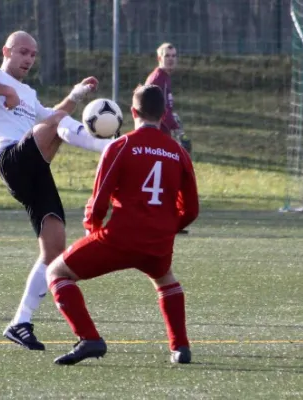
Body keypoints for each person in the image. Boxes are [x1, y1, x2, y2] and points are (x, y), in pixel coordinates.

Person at [0, 31, 113, 351]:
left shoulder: (28, 93)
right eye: (23, 52)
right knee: (57, 123)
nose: (28, 59)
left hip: (35, 168)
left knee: (54, 250)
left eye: (33, 55)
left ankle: (20, 322)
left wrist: (78, 93)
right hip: (12, 159)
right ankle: (113, 146)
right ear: (7, 51)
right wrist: (3, 90)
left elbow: (52, 117)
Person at [46, 84, 200, 366]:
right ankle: (180, 348)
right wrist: (167, 227)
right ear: (164, 113)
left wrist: (92, 231)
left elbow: (98, 200)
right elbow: (191, 209)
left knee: (57, 272)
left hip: (118, 239)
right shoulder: (178, 153)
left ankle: (89, 338)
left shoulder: (121, 146)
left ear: (131, 112)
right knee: (166, 280)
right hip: (158, 242)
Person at [145, 42, 192, 235]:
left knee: (168, 176)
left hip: (162, 135)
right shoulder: (158, 78)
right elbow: (157, 110)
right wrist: (178, 132)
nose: (171, 59)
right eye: (167, 56)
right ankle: (161, 220)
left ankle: (166, 219)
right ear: (159, 58)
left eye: (174, 55)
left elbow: (166, 108)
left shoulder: (165, 78)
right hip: (158, 136)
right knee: (168, 176)